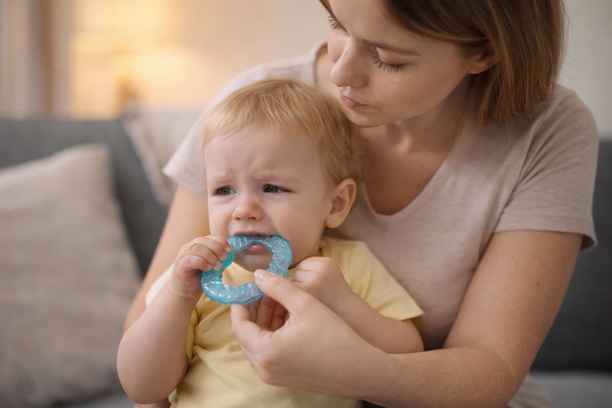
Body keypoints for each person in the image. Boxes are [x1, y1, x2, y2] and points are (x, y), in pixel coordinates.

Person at [124, 1, 599, 406]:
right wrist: (174, 306)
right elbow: (144, 365)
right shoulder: (249, 114)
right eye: (337, 24)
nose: (341, 74)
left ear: (484, 51)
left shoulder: (547, 132)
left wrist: (351, 369)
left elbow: (485, 367)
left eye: (388, 58)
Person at [117, 79, 424, 408]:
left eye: (272, 188)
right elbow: (141, 388)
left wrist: (343, 303)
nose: (243, 210)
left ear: (335, 204)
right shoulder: (194, 277)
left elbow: (408, 355)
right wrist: (179, 296)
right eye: (223, 190)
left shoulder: (346, 267)